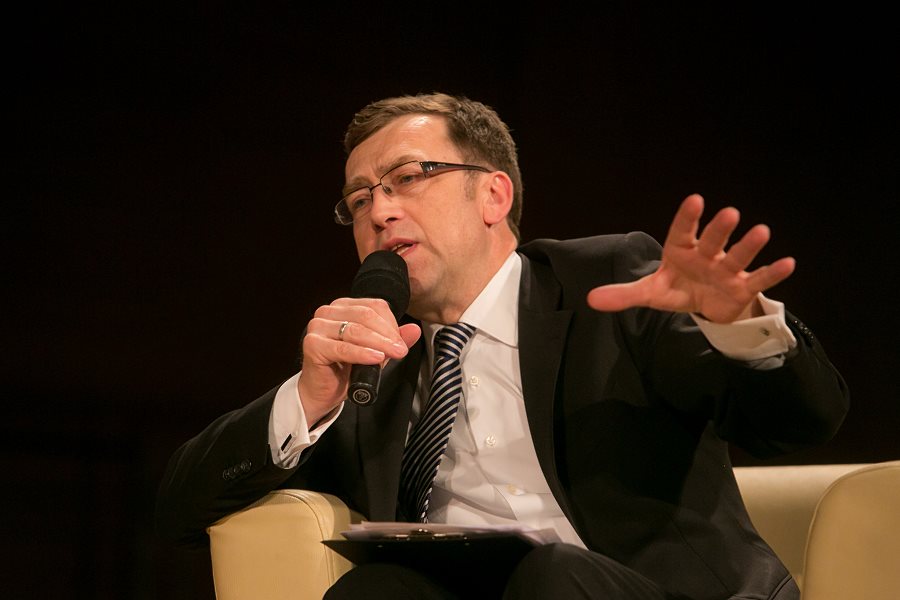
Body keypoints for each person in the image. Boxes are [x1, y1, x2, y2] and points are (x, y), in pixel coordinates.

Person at [155, 92, 849, 599]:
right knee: (376, 589)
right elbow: (177, 512)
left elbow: (802, 422)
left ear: (493, 195)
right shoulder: (369, 366)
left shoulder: (607, 283)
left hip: (648, 590)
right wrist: (307, 399)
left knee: (550, 575)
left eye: (407, 178)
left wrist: (739, 326)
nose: (380, 211)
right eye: (359, 199)